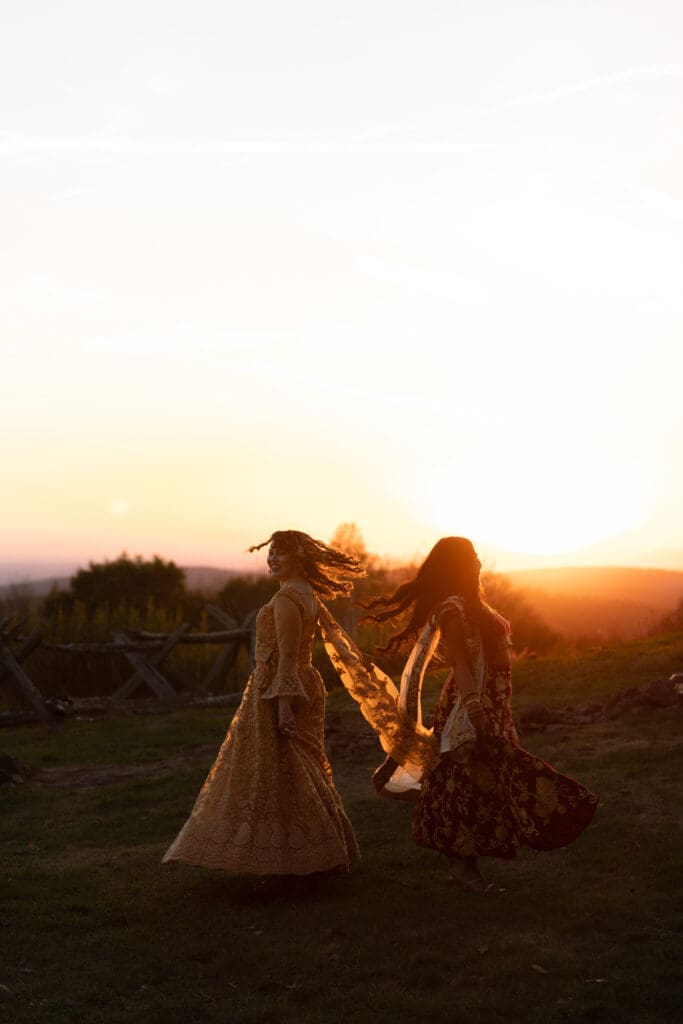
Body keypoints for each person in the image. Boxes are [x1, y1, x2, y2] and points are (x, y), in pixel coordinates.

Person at [323, 536, 597, 893]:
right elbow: (461, 663)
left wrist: (493, 705)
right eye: (471, 557)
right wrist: (473, 706)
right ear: (458, 566)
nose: (479, 560)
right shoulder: (453, 610)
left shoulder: (473, 604)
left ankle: (464, 844)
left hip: (493, 698)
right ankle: (464, 864)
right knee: (466, 779)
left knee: (487, 773)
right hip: (470, 702)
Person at [162, 530, 363, 880]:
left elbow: (286, 658)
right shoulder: (306, 594)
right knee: (298, 768)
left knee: (280, 769)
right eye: (270, 554)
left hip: (281, 689)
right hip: (302, 683)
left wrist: (283, 705)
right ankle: (311, 851)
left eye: (280, 554)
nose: (272, 560)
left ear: (298, 558)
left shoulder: (287, 600)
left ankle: (297, 856)